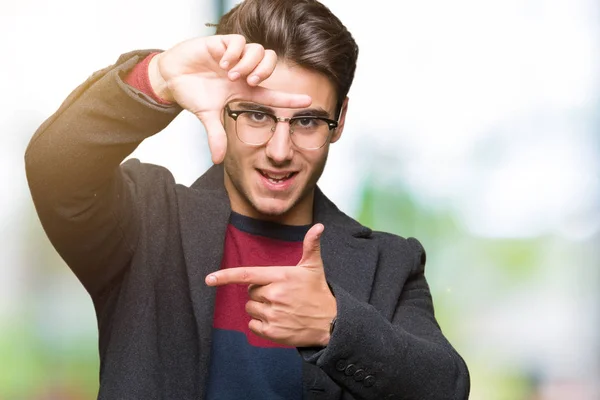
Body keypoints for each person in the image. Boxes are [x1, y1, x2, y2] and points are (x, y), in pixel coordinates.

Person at [25, 0, 470, 398]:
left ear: (340, 119)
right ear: (223, 107)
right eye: (257, 115)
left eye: (308, 122)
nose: (280, 150)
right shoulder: (146, 222)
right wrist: (157, 76)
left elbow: (446, 387)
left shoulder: (391, 264)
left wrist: (335, 326)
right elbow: (55, 166)